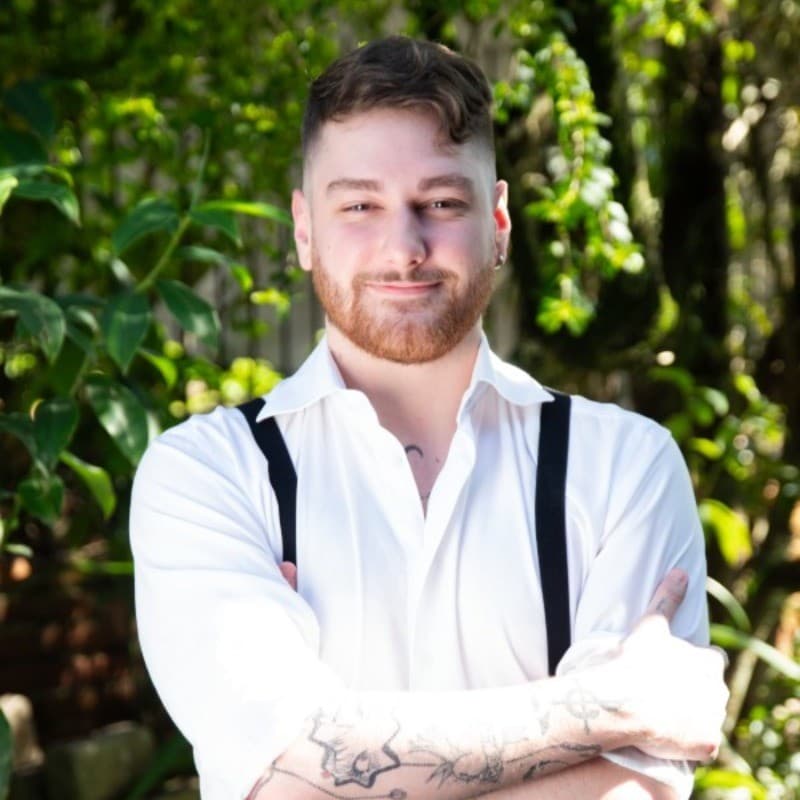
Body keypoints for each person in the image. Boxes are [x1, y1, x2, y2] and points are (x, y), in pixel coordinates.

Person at [130, 37, 728, 800]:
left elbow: (627, 791)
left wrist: (328, 756)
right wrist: (606, 708)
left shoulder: (622, 465)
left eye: (441, 203)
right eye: (359, 206)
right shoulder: (210, 472)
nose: (403, 248)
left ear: (500, 221)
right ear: (304, 228)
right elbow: (271, 775)